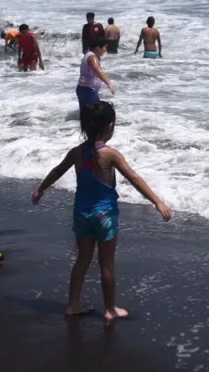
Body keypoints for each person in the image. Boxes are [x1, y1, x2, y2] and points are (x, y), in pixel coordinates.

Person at [32, 101, 172, 320]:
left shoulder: (77, 152)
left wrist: (41, 189)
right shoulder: (110, 155)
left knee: (82, 259)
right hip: (105, 215)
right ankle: (109, 309)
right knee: (106, 262)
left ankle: (73, 304)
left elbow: (58, 170)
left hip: (82, 214)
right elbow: (133, 178)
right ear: (110, 126)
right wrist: (157, 202)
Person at [76, 37, 116, 124]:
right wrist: (109, 84)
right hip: (88, 91)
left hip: (84, 89)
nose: (105, 50)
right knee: (95, 116)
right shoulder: (92, 57)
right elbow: (97, 70)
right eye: (104, 47)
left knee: (87, 116)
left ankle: (87, 134)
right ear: (98, 47)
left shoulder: (88, 55)